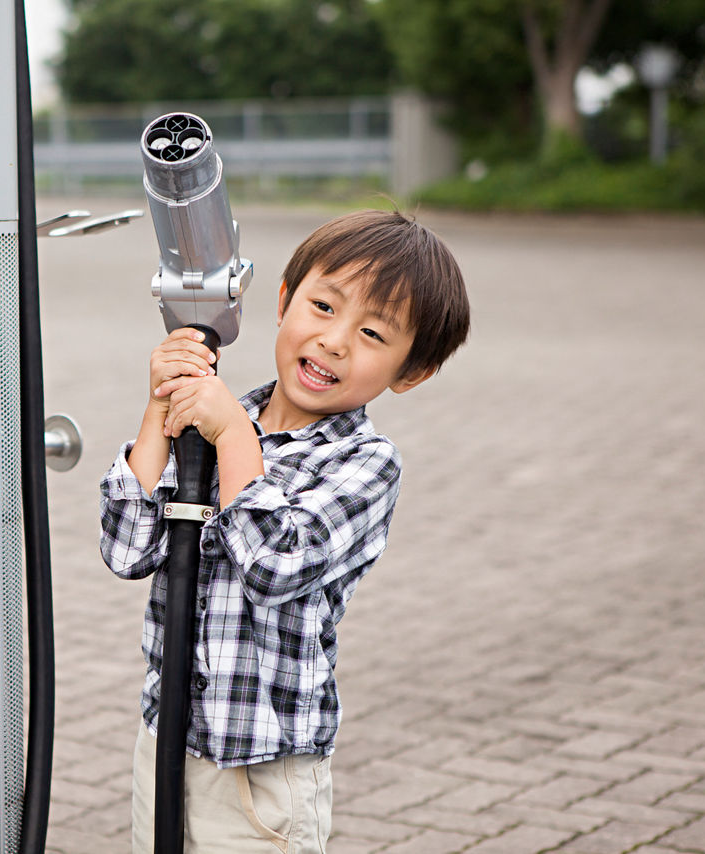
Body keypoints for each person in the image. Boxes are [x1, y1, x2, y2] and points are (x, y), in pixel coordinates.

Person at [99, 209, 471, 853]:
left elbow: (273, 563)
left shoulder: (364, 465)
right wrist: (160, 408)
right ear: (282, 301)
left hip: (261, 775)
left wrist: (233, 438)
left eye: (374, 334)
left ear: (410, 373)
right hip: (164, 746)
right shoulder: (218, 415)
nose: (335, 341)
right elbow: (128, 548)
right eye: (323, 306)